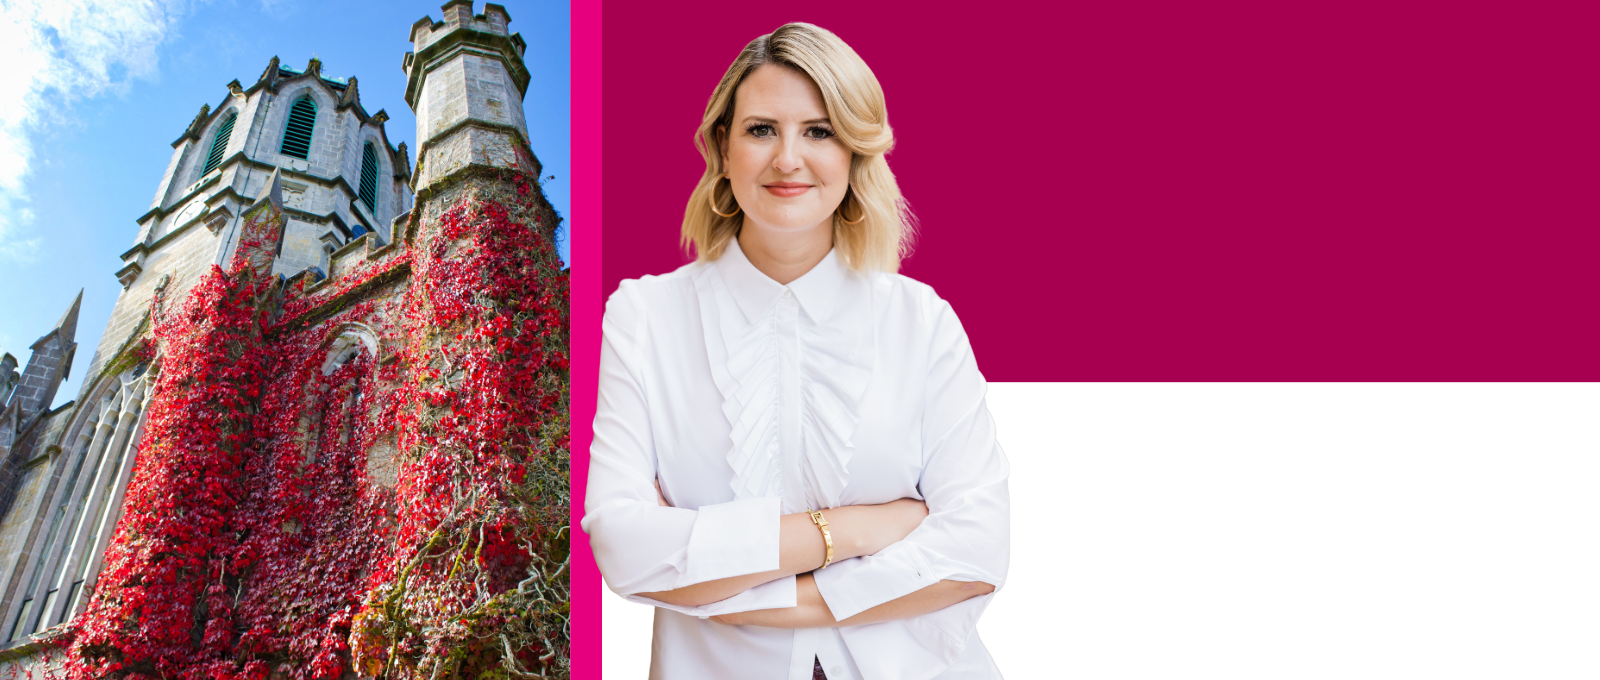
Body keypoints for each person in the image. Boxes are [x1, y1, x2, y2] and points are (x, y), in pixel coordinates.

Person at [584, 22, 1010, 680]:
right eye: (761, 130)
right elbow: (622, 541)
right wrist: (857, 531)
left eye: (819, 130)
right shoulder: (645, 318)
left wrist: (750, 594)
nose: (788, 159)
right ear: (722, 147)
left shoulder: (921, 321)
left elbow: (978, 547)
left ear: (854, 152)